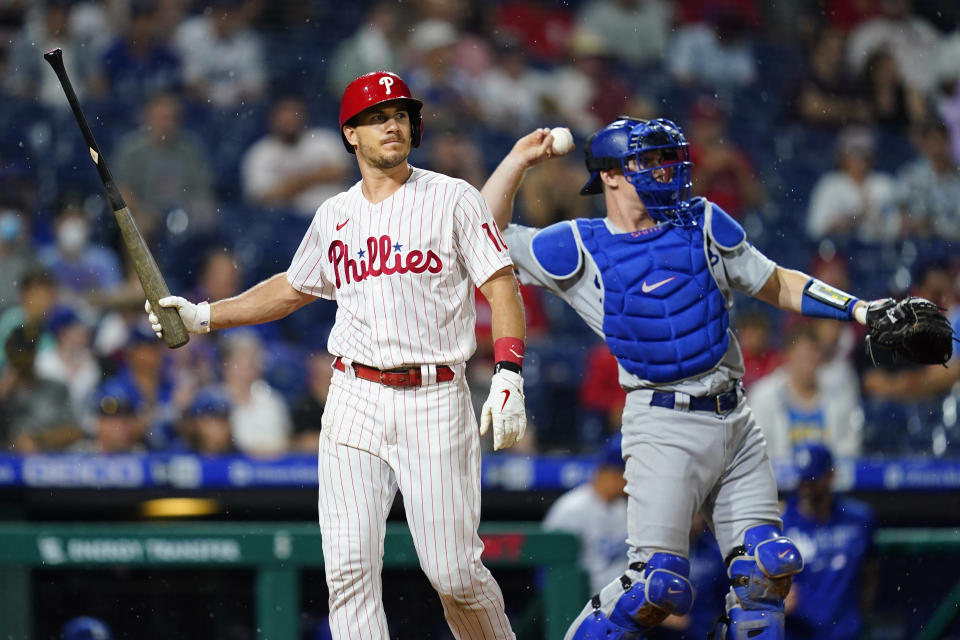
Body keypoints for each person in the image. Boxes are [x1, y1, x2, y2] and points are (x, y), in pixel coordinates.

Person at [147, 70, 527, 639]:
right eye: (376, 118)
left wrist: (508, 374)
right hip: (354, 396)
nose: (391, 125)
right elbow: (292, 288)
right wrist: (204, 315)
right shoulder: (334, 215)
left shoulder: (452, 198)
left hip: (435, 396)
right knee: (347, 570)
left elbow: (501, 286)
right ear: (350, 134)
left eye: (399, 115)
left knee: (452, 572)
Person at [481, 117, 891, 638]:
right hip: (662, 422)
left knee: (766, 571)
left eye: (666, 158)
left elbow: (777, 282)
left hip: (735, 418)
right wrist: (517, 162)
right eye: (647, 160)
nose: (664, 170)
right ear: (609, 175)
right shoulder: (577, 245)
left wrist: (861, 311)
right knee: (654, 588)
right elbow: (484, 238)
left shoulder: (701, 221)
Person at [781, 443, 877, 639]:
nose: (806, 487)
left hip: (844, 632)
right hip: (799, 632)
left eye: (813, 480)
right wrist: (773, 599)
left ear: (830, 475)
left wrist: (858, 614)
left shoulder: (859, 520)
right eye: (803, 480)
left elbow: (870, 571)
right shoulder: (780, 525)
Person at [748, 323, 863, 460]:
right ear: (788, 355)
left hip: (830, 478)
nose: (809, 364)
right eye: (803, 357)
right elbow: (757, 449)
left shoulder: (839, 392)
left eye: (813, 356)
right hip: (780, 479)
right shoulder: (764, 395)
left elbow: (851, 444)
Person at [543, 434, 629, 593]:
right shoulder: (572, 508)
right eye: (624, 474)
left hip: (618, 603)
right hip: (580, 603)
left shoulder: (622, 509)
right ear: (608, 472)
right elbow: (548, 572)